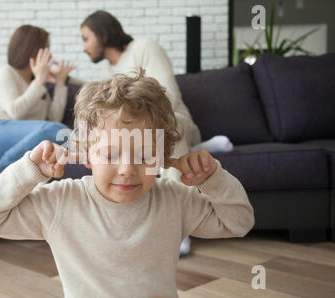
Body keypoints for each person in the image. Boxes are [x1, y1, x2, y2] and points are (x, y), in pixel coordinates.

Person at [0, 70, 255, 298]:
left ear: (163, 156)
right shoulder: (60, 201)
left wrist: (214, 179)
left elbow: (239, 222)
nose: (127, 170)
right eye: (110, 154)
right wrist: (29, 170)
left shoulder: (176, 200)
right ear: (85, 154)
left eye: (144, 155)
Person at [80, 10, 234, 255]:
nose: (84, 47)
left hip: (173, 121)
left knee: (164, 131)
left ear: (102, 33)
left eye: (86, 38)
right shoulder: (107, 72)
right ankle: (198, 149)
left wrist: (143, 125)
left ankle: (177, 227)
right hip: (138, 136)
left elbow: (168, 96)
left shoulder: (144, 47)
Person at [0, 25, 76, 202]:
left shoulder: (38, 84)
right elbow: (15, 112)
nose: (49, 56)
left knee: (59, 133)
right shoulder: (6, 73)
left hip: (25, 140)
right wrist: (40, 80)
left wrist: (59, 84)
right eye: (46, 50)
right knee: (58, 131)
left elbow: (52, 120)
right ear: (33, 50)